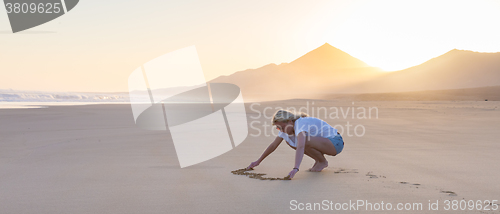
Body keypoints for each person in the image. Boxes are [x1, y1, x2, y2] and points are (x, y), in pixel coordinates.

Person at [246, 109, 344, 179]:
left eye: (282, 127)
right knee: (291, 142)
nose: (281, 130)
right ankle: (319, 160)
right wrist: (258, 161)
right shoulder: (286, 129)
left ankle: (322, 161)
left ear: (290, 121)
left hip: (336, 143)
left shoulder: (300, 123)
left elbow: (301, 146)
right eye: (278, 128)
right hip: (325, 143)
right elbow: (273, 146)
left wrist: (295, 168)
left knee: (303, 141)